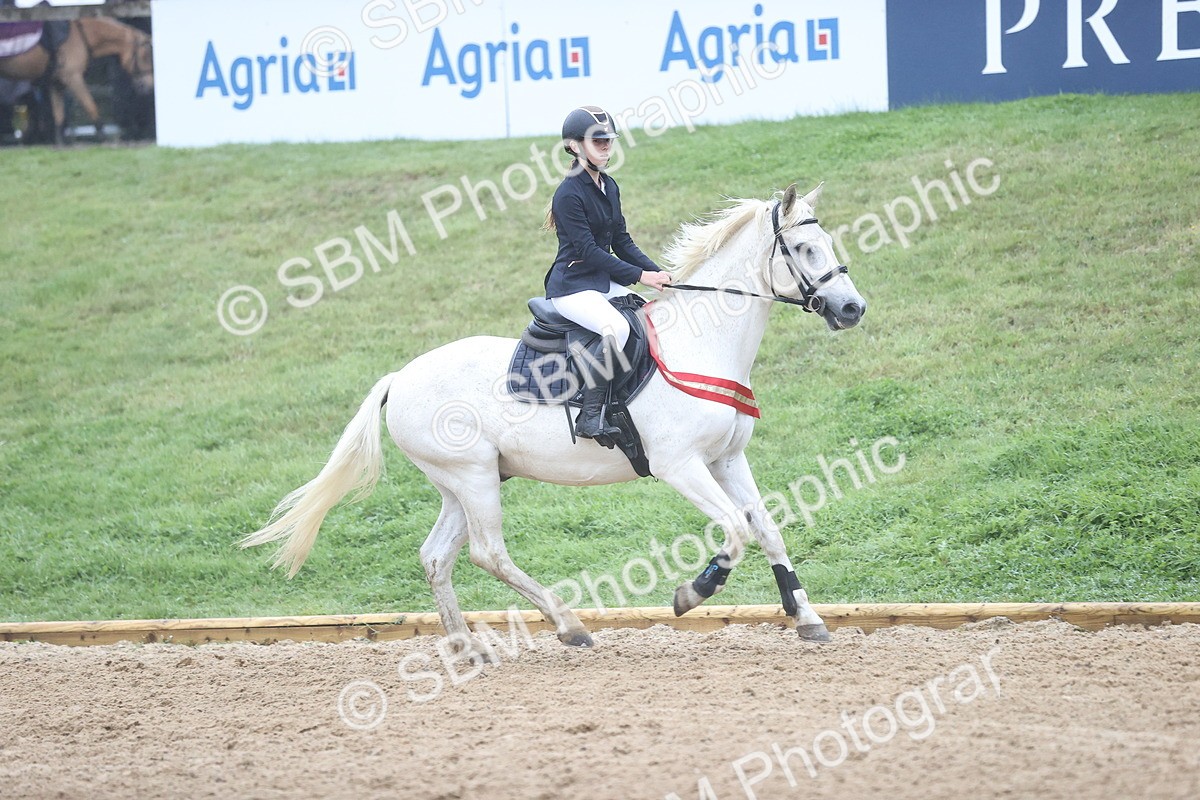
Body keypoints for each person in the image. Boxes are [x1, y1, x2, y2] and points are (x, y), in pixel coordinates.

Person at [543, 105, 672, 442]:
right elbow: (589, 252)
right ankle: (590, 414)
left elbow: (621, 241)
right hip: (572, 287)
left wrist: (657, 272)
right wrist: (639, 276)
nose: (605, 146)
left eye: (608, 140)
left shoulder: (609, 185)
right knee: (615, 327)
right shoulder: (568, 193)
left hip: (600, 281)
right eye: (596, 140)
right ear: (574, 146)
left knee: (649, 315)